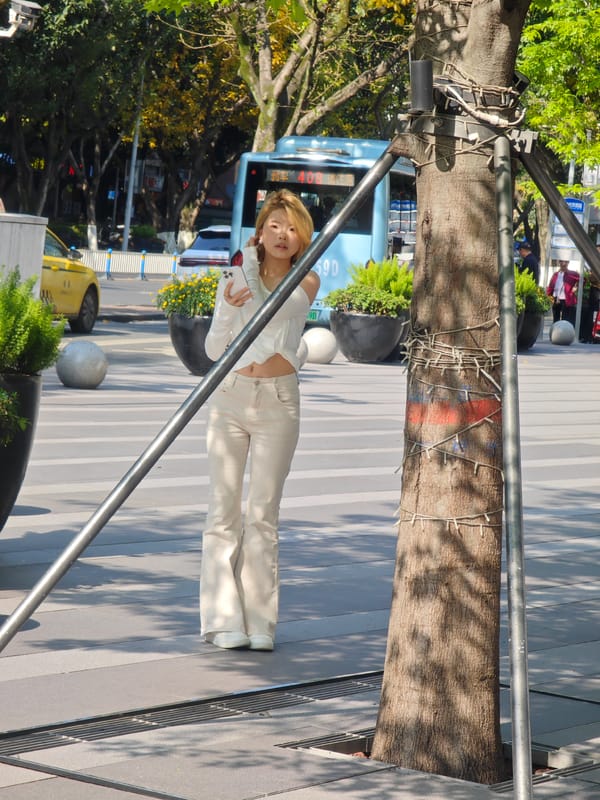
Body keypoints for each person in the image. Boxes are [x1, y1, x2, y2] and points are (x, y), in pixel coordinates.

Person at [200, 190, 320, 651]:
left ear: (302, 235)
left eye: (292, 228)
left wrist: (249, 277)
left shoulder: (305, 282)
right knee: (223, 512)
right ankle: (224, 618)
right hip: (230, 399)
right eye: (274, 226)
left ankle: (260, 623)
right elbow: (215, 351)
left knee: (262, 514)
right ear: (260, 232)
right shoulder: (233, 278)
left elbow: (279, 315)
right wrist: (230, 302)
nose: (283, 235)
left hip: (278, 402)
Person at [546, 259, 579, 325]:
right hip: (556, 298)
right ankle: (556, 333)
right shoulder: (555, 274)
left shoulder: (573, 274)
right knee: (556, 318)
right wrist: (548, 296)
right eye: (561, 261)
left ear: (568, 263)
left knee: (565, 319)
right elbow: (551, 286)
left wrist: (576, 287)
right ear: (559, 262)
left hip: (566, 299)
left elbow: (583, 280)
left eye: (565, 262)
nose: (563, 263)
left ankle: (565, 334)